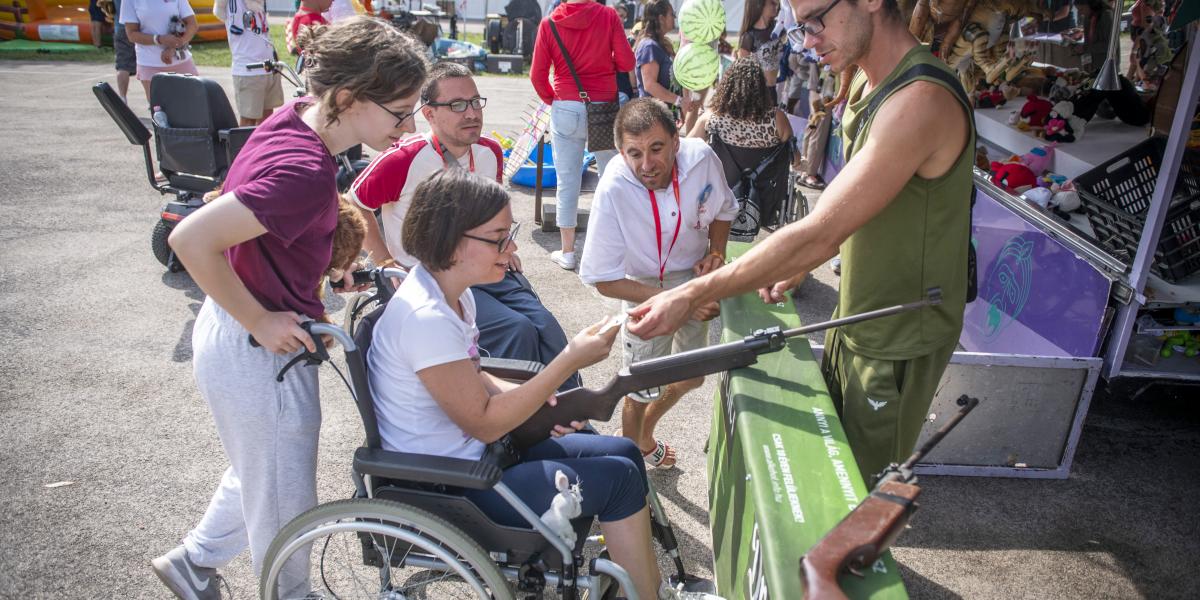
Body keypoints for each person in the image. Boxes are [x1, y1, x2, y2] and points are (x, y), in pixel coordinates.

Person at [627, 0, 975, 485]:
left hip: (899, 330)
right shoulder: (865, 80)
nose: (808, 41)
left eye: (816, 20)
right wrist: (811, 257)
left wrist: (690, 293)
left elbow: (820, 229)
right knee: (832, 467)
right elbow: (858, 202)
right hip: (860, 312)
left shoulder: (919, 99)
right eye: (800, 27)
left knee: (855, 489)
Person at [152, 17, 428, 600]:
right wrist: (260, 318)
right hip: (256, 343)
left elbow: (266, 226)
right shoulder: (305, 169)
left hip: (236, 331)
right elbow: (190, 240)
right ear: (350, 99)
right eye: (401, 111)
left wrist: (323, 263)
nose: (410, 125)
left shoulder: (299, 119)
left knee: (263, 470)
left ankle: (192, 562)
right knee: (284, 492)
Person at [368, 167, 719, 600]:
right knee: (617, 480)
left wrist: (544, 406)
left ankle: (642, 584)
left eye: (508, 233)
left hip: (480, 458)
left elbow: (475, 376)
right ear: (452, 241)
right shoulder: (427, 320)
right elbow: (484, 422)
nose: (511, 248)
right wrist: (569, 360)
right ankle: (645, 593)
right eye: (498, 238)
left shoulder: (455, 296)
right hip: (455, 486)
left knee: (626, 452)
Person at [349, 62, 582, 390]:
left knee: (546, 327)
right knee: (516, 330)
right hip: (436, 280)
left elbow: (494, 213)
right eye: (457, 105)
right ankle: (513, 425)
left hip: (487, 270)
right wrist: (386, 262)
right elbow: (352, 204)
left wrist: (502, 246)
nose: (471, 112)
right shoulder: (403, 159)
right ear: (428, 114)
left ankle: (572, 416)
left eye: (475, 102)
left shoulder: (490, 153)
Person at [579, 98, 737, 469]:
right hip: (641, 285)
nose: (646, 165)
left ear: (676, 141)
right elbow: (604, 280)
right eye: (634, 153)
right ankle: (630, 465)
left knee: (693, 375)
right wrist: (678, 299)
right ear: (620, 151)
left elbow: (725, 209)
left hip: (693, 279)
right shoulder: (613, 188)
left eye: (656, 148)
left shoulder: (702, 159)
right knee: (639, 387)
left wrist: (716, 251)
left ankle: (643, 433)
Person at [531, 0, 636, 271]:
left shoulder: (550, 23)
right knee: (609, 178)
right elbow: (626, 61)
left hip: (566, 105)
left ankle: (567, 252)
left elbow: (537, 75)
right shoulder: (609, 16)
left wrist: (555, 99)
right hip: (603, 106)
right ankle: (608, 250)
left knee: (567, 181)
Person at [688, 57, 795, 150]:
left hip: (722, 173)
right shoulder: (776, 118)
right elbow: (794, 157)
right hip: (768, 173)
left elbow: (686, 148)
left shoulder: (712, 117)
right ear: (762, 88)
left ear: (727, 87)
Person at [214, 0, 283, 126]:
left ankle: (263, 146)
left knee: (267, 121)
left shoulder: (259, 3)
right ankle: (245, 146)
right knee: (248, 122)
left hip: (269, 67)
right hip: (248, 71)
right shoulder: (234, 3)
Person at [119, 0, 199, 102]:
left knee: (194, 105)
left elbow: (192, 24)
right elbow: (132, 34)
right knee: (161, 113)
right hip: (150, 65)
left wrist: (174, 47)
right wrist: (159, 39)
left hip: (181, 62)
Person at [633, 0, 691, 117]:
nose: (674, 18)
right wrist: (679, 101)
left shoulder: (663, 44)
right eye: (672, 14)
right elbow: (649, 85)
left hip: (665, 116)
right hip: (652, 117)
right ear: (661, 18)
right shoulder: (649, 46)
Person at [737, 0, 784, 105]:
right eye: (772, 3)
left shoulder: (779, 28)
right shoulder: (749, 36)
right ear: (760, 5)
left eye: (776, 3)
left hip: (772, 90)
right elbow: (742, 70)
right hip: (756, 92)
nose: (776, 6)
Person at [111, 0, 135, 102]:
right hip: (140, 29)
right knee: (147, 66)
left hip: (120, 27)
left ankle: (123, 98)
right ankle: (152, 100)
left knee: (123, 66)